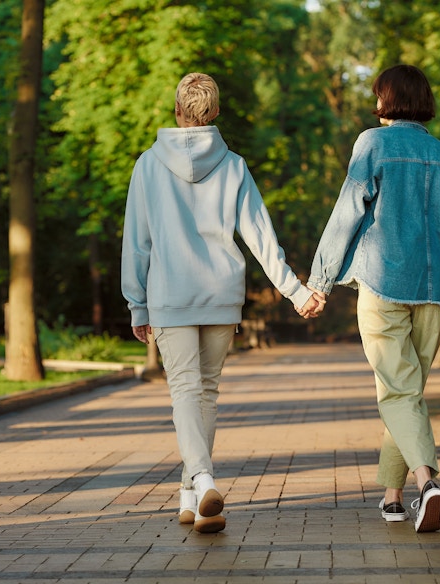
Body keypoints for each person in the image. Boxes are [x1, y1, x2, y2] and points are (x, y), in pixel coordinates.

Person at [121, 73, 324, 534]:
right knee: (205, 392)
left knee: (185, 392)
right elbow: (260, 237)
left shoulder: (148, 166)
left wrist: (137, 304)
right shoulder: (233, 165)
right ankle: (190, 496)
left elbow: (137, 243)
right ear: (214, 115)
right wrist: (295, 291)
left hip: (169, 295)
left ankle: (203, 477)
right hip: (220, 293)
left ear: (176, 109)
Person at [307, 64, 440, 533]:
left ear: (385, 101)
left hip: (383, 283)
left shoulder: (372, 144)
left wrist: (321, 280)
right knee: (407, 394)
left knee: (397, 392)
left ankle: (425, 483)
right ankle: (393, 499)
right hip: (435, 291)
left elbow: (347, 211)